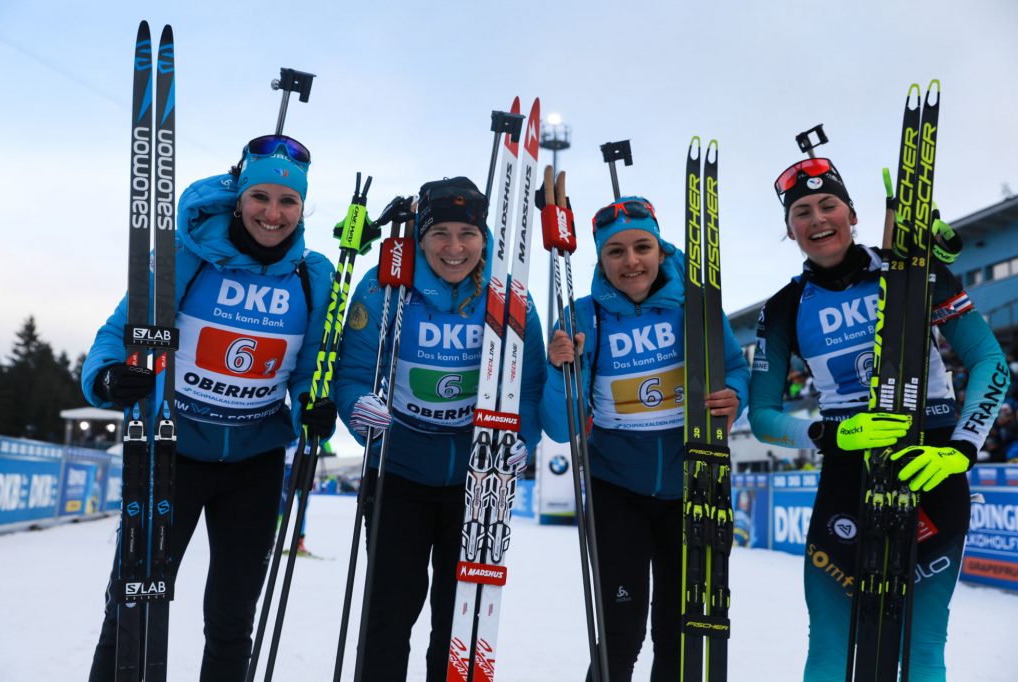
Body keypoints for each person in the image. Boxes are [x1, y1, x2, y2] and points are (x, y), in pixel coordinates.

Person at [82, 133, 337, 681]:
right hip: (172, 454)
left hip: (255, 462)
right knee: (134, 602)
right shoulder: (186, 254)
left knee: (231, 619)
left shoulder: (312, 275)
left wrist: (317, 403)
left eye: (288, 201)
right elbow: (119, 329)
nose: (273, 213)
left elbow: (312, 365)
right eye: (260, 198)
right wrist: (107, 377)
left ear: (302, 207)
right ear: (239, 196)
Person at [748, 156, 1010, 681]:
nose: (818, 219)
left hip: (930, 466)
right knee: (829, 649)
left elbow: (990, 363)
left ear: (853, 214)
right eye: (802, 212)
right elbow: (762, 416)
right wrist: (830, 434)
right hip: (848, 474)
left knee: (921, 650)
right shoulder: (785, 306)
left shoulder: (917, 271)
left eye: (829, 205)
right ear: (789, 229)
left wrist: (959, 450)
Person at [333, 176, 546, 680]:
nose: (454, 248)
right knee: (390, 614)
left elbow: (530, 384)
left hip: (477, 485)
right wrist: (359, 409)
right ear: (421, 237)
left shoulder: (508, 290)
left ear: (483, 236)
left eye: (466, 234)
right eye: (440, 234)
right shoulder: (385, 283)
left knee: (461, 623)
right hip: (399, 475)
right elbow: (354, 371)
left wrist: (522, 436)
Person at [539, 196, 749, 681]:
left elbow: (735, 367)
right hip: (617, 489)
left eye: (642, 247)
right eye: (615, 251)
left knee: (680, 632)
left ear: (660, 249)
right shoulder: (582, 317)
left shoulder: (697, 306)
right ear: (600, 259)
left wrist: (733, 394)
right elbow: (559, 425)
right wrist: (559, 371)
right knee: (620, 631)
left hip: (693, 483)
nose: (631, 261)